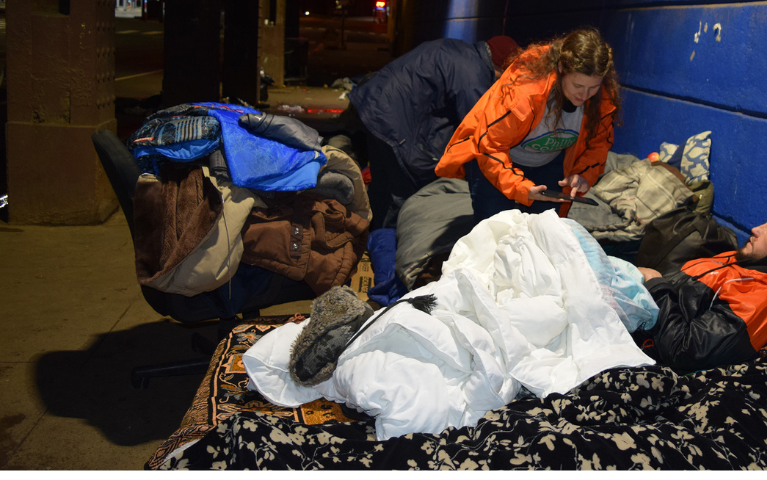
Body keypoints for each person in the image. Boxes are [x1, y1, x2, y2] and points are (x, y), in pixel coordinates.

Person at [434, 28, 621, 224]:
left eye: (593, 87)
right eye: (578, 86)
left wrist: (582, 176)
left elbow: (598, 146)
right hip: (497, 160)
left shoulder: (603, 100)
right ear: (560, 69)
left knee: (543, 231)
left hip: (548, 164)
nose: (584, 95)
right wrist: (521, 188)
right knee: (496, 229)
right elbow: (490, 146)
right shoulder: (525, 91)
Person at [346, 35, 520, 230]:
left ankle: (369, 232)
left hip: (373, 108)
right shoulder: (474, 73)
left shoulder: (457, 49)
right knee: (403, 193)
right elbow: (479, 126)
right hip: (392, 120)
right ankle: (388, 245)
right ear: (502, 67)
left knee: (382, 184)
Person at [633, 221, 767, 373]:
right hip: (634, 322)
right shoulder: (742, 259)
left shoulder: (756, 299)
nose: (755, 229)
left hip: (646, 360)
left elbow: (683, 351)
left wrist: (656, 285)